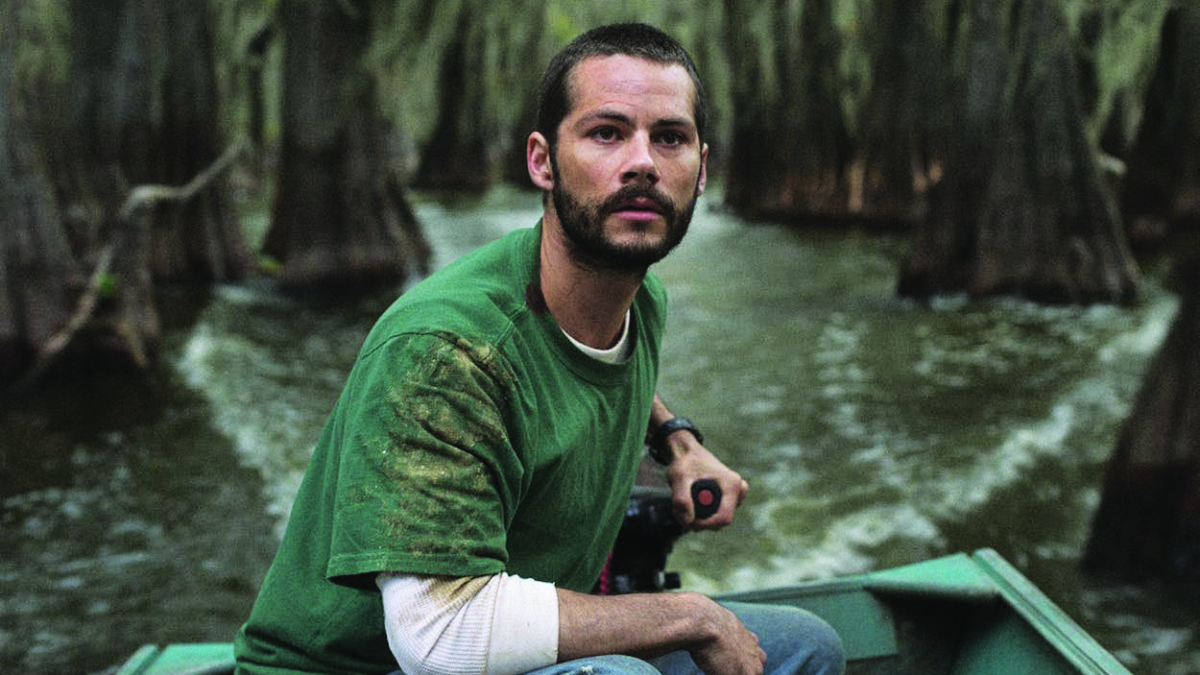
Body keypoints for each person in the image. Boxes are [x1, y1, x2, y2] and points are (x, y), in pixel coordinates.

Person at [234, 22, 844, 675]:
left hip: (513, 639)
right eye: (606, 133)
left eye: (669, 138)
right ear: (541, 161)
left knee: (807, 645)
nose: (641, 161)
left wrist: (679, 441)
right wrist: (687, 615)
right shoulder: (446, 350)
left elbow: (583, 370)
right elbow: (440, 637)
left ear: (700, 172)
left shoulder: (638, 303)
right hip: (364, 665)